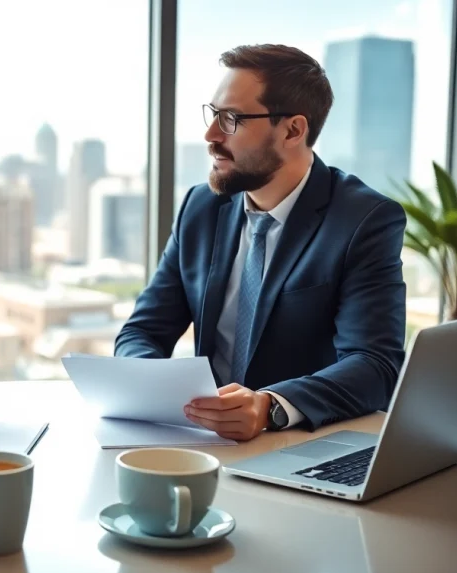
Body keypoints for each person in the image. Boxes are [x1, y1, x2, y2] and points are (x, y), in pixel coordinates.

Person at [115, 44, 406, 442]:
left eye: (232, 119)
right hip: (203, 442)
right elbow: (143, 332)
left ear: (292, 130)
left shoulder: (363, 220)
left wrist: (271, 406)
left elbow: (375, 365)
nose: (211, 135)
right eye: (214, 114)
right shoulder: (201, 207)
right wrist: (153, 388)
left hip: (301, 443)